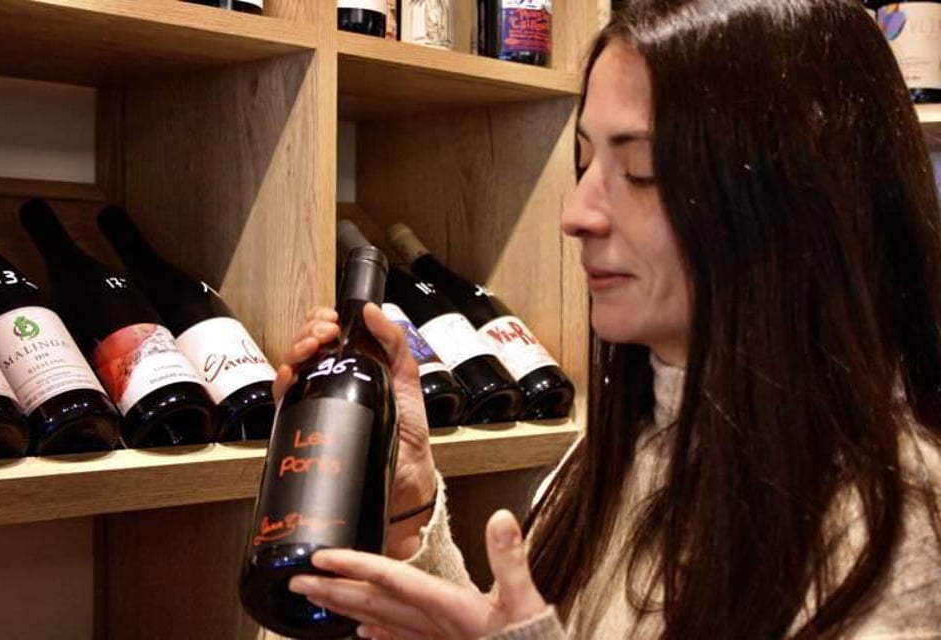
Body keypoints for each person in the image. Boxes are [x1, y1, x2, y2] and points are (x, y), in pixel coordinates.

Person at [277, 0, 941, 637]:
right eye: (585, 163)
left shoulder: (897, 529)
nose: (576, 214)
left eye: (641, 170)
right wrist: (407, 501)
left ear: (795, 196)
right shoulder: (622, 447)